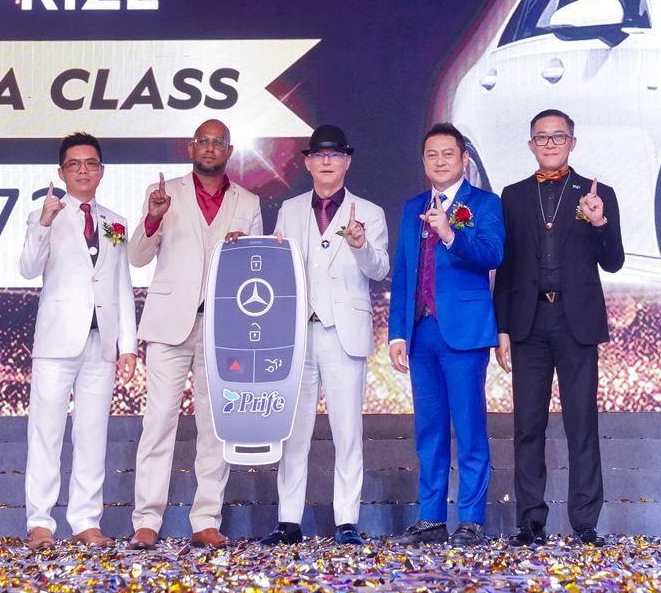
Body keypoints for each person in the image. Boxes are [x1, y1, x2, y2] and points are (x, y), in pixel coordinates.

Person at [128, 117, 263, 548]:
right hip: (169, 323)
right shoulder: (165, 194)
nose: (209, 147)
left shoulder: (248, 201)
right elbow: (136, 256)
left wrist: (246, 248)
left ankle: (206, 518)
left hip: (223, 328)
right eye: (202, 140)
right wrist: (152, 218)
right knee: (158, 423)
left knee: (216, 425)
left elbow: (258, 268)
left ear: (229, 151)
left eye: (217, 142)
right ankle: (146, 521)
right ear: (191, 148)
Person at [494, 109, 624, 545]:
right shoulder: (512, 196)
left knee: (581, 423)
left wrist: (599, 221)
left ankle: (585, 522)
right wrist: (502, 328)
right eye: (542, 137)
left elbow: (614, 261)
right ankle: (531, 521)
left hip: (576, 321)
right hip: (528, 322)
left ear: (573, 142)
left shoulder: (597, 194)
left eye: (558, 136)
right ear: (530, 144)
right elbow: (506, 268)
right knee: (527, 426)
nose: (550, 144)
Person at [260, 124, 391, 546]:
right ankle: (288, 520)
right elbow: (279, 265)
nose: (327, 162)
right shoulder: (290, 209)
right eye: (319, 155)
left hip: (343, 332)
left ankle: (347, 520)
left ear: (347, 161)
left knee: (347, 431)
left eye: (334, 155)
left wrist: (359, 244)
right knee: (292, 431)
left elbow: (380, 269)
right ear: (308, 163)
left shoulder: (369, 212)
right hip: (297, 332)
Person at [19, 131, 139, 549]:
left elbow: (121, 284)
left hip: (100, 342)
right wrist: (44, 222)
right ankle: (40, 522)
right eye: (74, 164)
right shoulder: (44, 215)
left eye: (90, 163)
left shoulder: (116, 222)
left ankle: (87, 521)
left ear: (101, 171)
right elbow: (28, 268)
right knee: (46, 434)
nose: (83, 171)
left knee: (92, 435)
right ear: (61, 172)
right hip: (56, 343)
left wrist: (128, 345)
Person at [387, 122, 505, 545]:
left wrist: (450, 234)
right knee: (429, 430)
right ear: (423, 161)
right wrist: (397, 334)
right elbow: (404, 272)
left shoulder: (485, 203)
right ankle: (431, 518)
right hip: (421, 332)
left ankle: (471, 518)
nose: (440, 161)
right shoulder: (412, 207)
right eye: (432, 155)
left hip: (465, 332)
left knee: (469, 428)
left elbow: (493, 254)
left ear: (464, 159)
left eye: (448, 154)